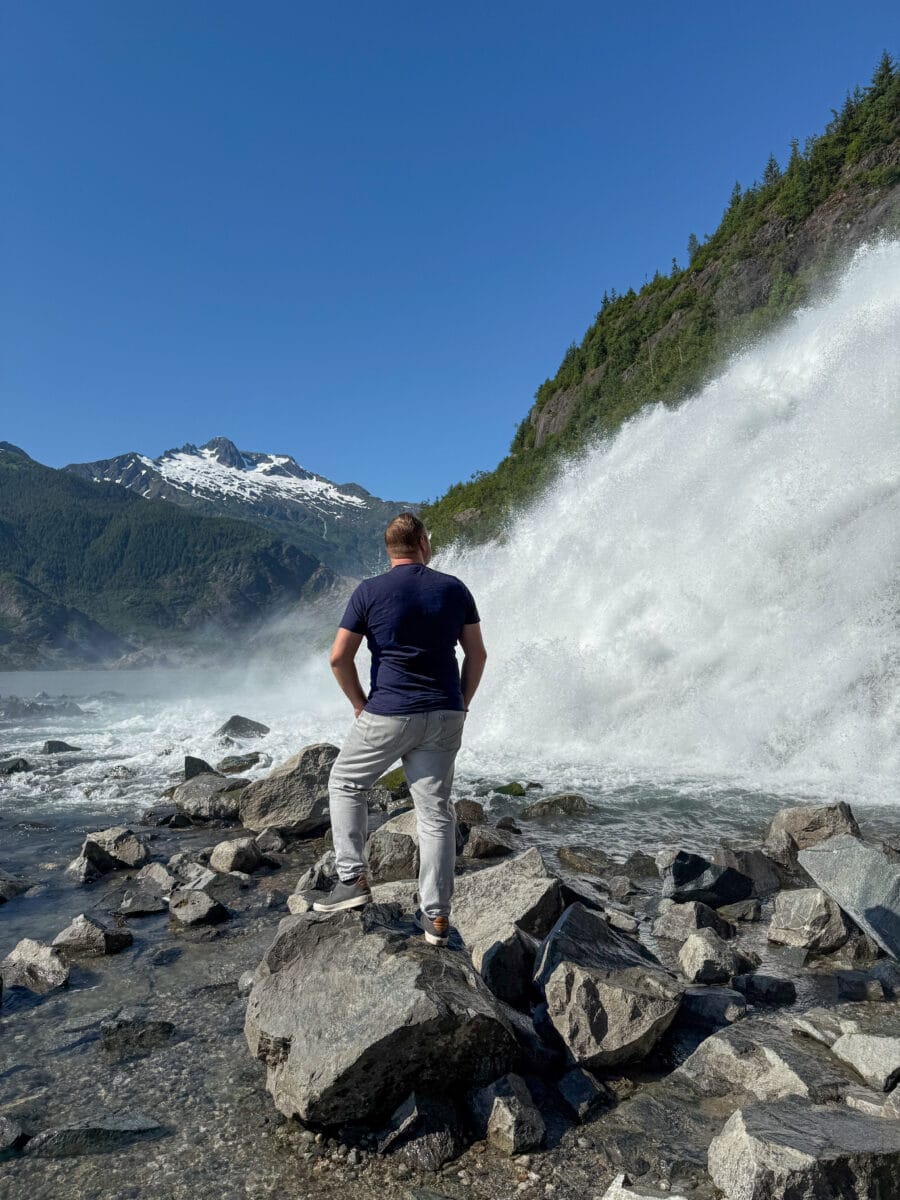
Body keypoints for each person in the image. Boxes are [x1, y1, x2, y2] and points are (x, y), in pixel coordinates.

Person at [313, 512, 487, 946]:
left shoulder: (369, 591)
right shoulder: (454, 588)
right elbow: (477, 654)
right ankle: (436, 917)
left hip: (390, 711)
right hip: (445, 713)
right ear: (423, 543)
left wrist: (359, 703)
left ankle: (352, 880)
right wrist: (461, 703)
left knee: (346, 782)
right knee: (435, 813)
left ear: (389, 550)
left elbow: (338, 657)